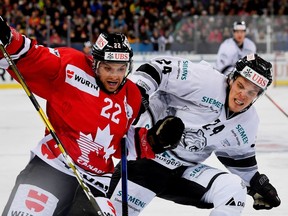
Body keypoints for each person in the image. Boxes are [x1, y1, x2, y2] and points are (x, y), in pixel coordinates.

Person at [0, 16, 184, 215]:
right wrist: (8, 37)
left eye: (121, 69)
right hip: (52, 167)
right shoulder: (70, 66)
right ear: (95, 62)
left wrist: (153, 141)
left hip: (96, 182)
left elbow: (118, 142)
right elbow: (32, 54)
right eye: (108, 68)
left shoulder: (132, 96)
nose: (114, 76)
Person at [108, 53, 281, 216]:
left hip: (185, 172)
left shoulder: (248, 122)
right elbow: (158, 68)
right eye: (241, 86)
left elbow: (238, 158)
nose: (242, 95)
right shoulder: (206, 81)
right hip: (147, 160)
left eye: (252, 92)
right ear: (232, 79)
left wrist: (258, 184)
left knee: (234, 189)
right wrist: (138, 93)